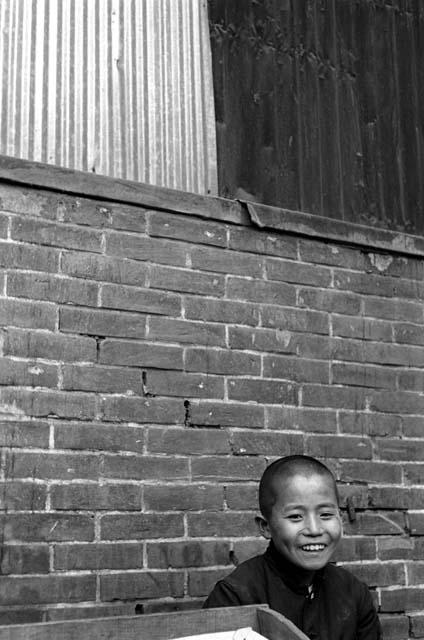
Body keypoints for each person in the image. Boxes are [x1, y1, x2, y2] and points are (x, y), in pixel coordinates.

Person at [203, 455, 381, 640]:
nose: (314, 529)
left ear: (341, 519)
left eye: (326, 514)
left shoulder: (352, 592)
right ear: (266, 527)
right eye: (296, 517)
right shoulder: (235, 596)